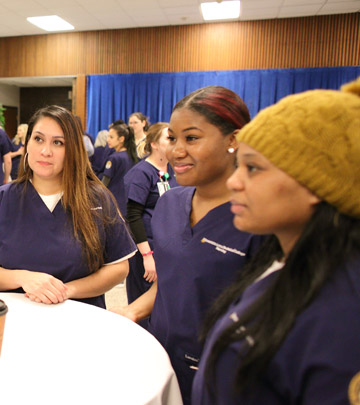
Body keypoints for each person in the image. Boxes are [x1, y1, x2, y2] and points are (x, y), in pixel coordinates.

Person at [192, 78, 360, 404]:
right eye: (239, 164)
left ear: (317, 183)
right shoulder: (289, 264)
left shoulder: (343, 319)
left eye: (253, 168)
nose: (234, 181)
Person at [112, 86, 265, 404]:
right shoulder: (170, 203)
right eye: (172, 138)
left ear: (233, 140)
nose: (175, 151)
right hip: (160, 356)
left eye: (191, 138)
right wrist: (133, 310)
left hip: (221, 375)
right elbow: (171, 280)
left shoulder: (258, 219)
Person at [0, 105, 136, 309]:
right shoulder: (2, 199)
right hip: (17, 317)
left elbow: (118, 267)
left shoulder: (97, 199)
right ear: (27, 143)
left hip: (80, 316)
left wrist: (66, 291)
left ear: (72, 149)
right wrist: (24, 279)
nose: (45, 151)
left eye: (58, 143)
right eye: (38, 139)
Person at [123, 122, 177, 320]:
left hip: (168, 247)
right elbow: (133, 215)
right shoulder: (141, 173)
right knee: (143, 305)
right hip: (147, 249)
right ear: (154, 144)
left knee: (165, 303)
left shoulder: (173, 170)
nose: (174, 143)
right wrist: (147, 255)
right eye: (169, 138)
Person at [102, 122, 139, 217]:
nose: (108, 140)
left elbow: (105, 182)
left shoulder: (114, 158)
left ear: (121, 139)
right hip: (127, 200)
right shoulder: (133, 156)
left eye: (111, 137)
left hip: (114, 200)